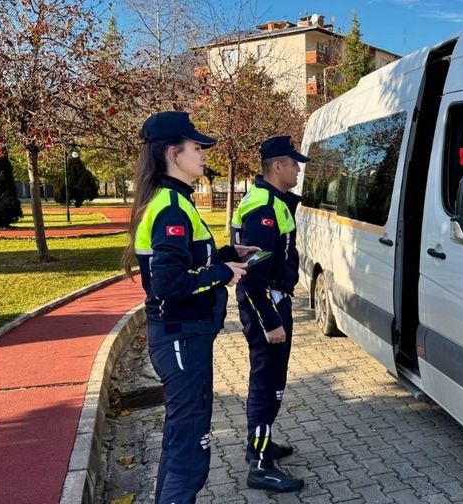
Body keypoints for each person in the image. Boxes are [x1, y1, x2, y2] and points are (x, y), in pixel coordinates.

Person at [121, 111, 256, 504]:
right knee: (190, 445)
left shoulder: (174, 201)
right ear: (173, 153)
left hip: (186, 335)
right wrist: (222, 274)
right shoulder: (171, 208)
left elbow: (186, 263)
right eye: (197, 147)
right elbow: (169, 283)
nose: (203, 154)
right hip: (181, 336)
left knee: (183, 437)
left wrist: (229, 255)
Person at [232, 136, 309, 493]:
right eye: (294, 163)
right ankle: (260, 464)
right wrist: (272, 321)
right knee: (268, 386)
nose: (298, 169)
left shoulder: (270, 200)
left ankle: (261, 443)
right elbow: (252, 276)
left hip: (274, 299)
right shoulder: (263, 208)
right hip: (268, 304)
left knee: (269, 382)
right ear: (277, 167)